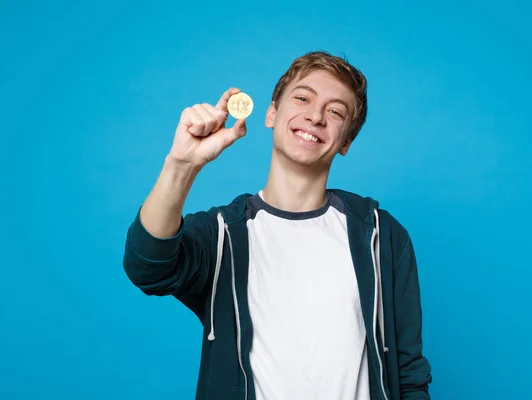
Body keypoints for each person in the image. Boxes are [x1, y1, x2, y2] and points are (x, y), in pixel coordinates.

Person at [123, 51, 432, 400]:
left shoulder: (380, 235)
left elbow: (409, 376)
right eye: (302, 98)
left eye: (335, 112)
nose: (315, 116)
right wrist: (181, 165)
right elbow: (147, 267)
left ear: (346, 141)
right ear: (272, 113)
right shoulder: (223, 233)